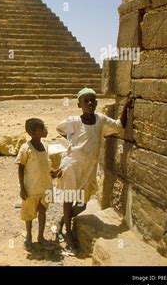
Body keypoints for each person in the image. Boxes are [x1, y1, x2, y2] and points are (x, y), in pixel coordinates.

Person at [55, 87, 133, 253]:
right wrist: (73, 143)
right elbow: (59, 129)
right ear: (79, 104)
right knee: (69, 198)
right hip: (73, 165)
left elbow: (119, 126)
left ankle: (63, 220)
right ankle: (68, 233)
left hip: (90, 167)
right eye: (86, 100)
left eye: (93, 100)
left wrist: (126, 106)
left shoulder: (101, 119)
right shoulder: (73, 121)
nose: (90, 103)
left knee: (82, 204)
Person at [16, 118, 59, 250]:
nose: (46, 130)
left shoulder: (45, 146)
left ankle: (40, 237)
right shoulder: (25, 148)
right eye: (42, 128)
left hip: (45, 186)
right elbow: (21, 168)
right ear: (33, 132)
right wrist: (22, 188)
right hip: (31, 188)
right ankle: (29, 236)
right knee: (29, 214)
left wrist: (53, 172)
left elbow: (45, 165)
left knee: (43, 211)